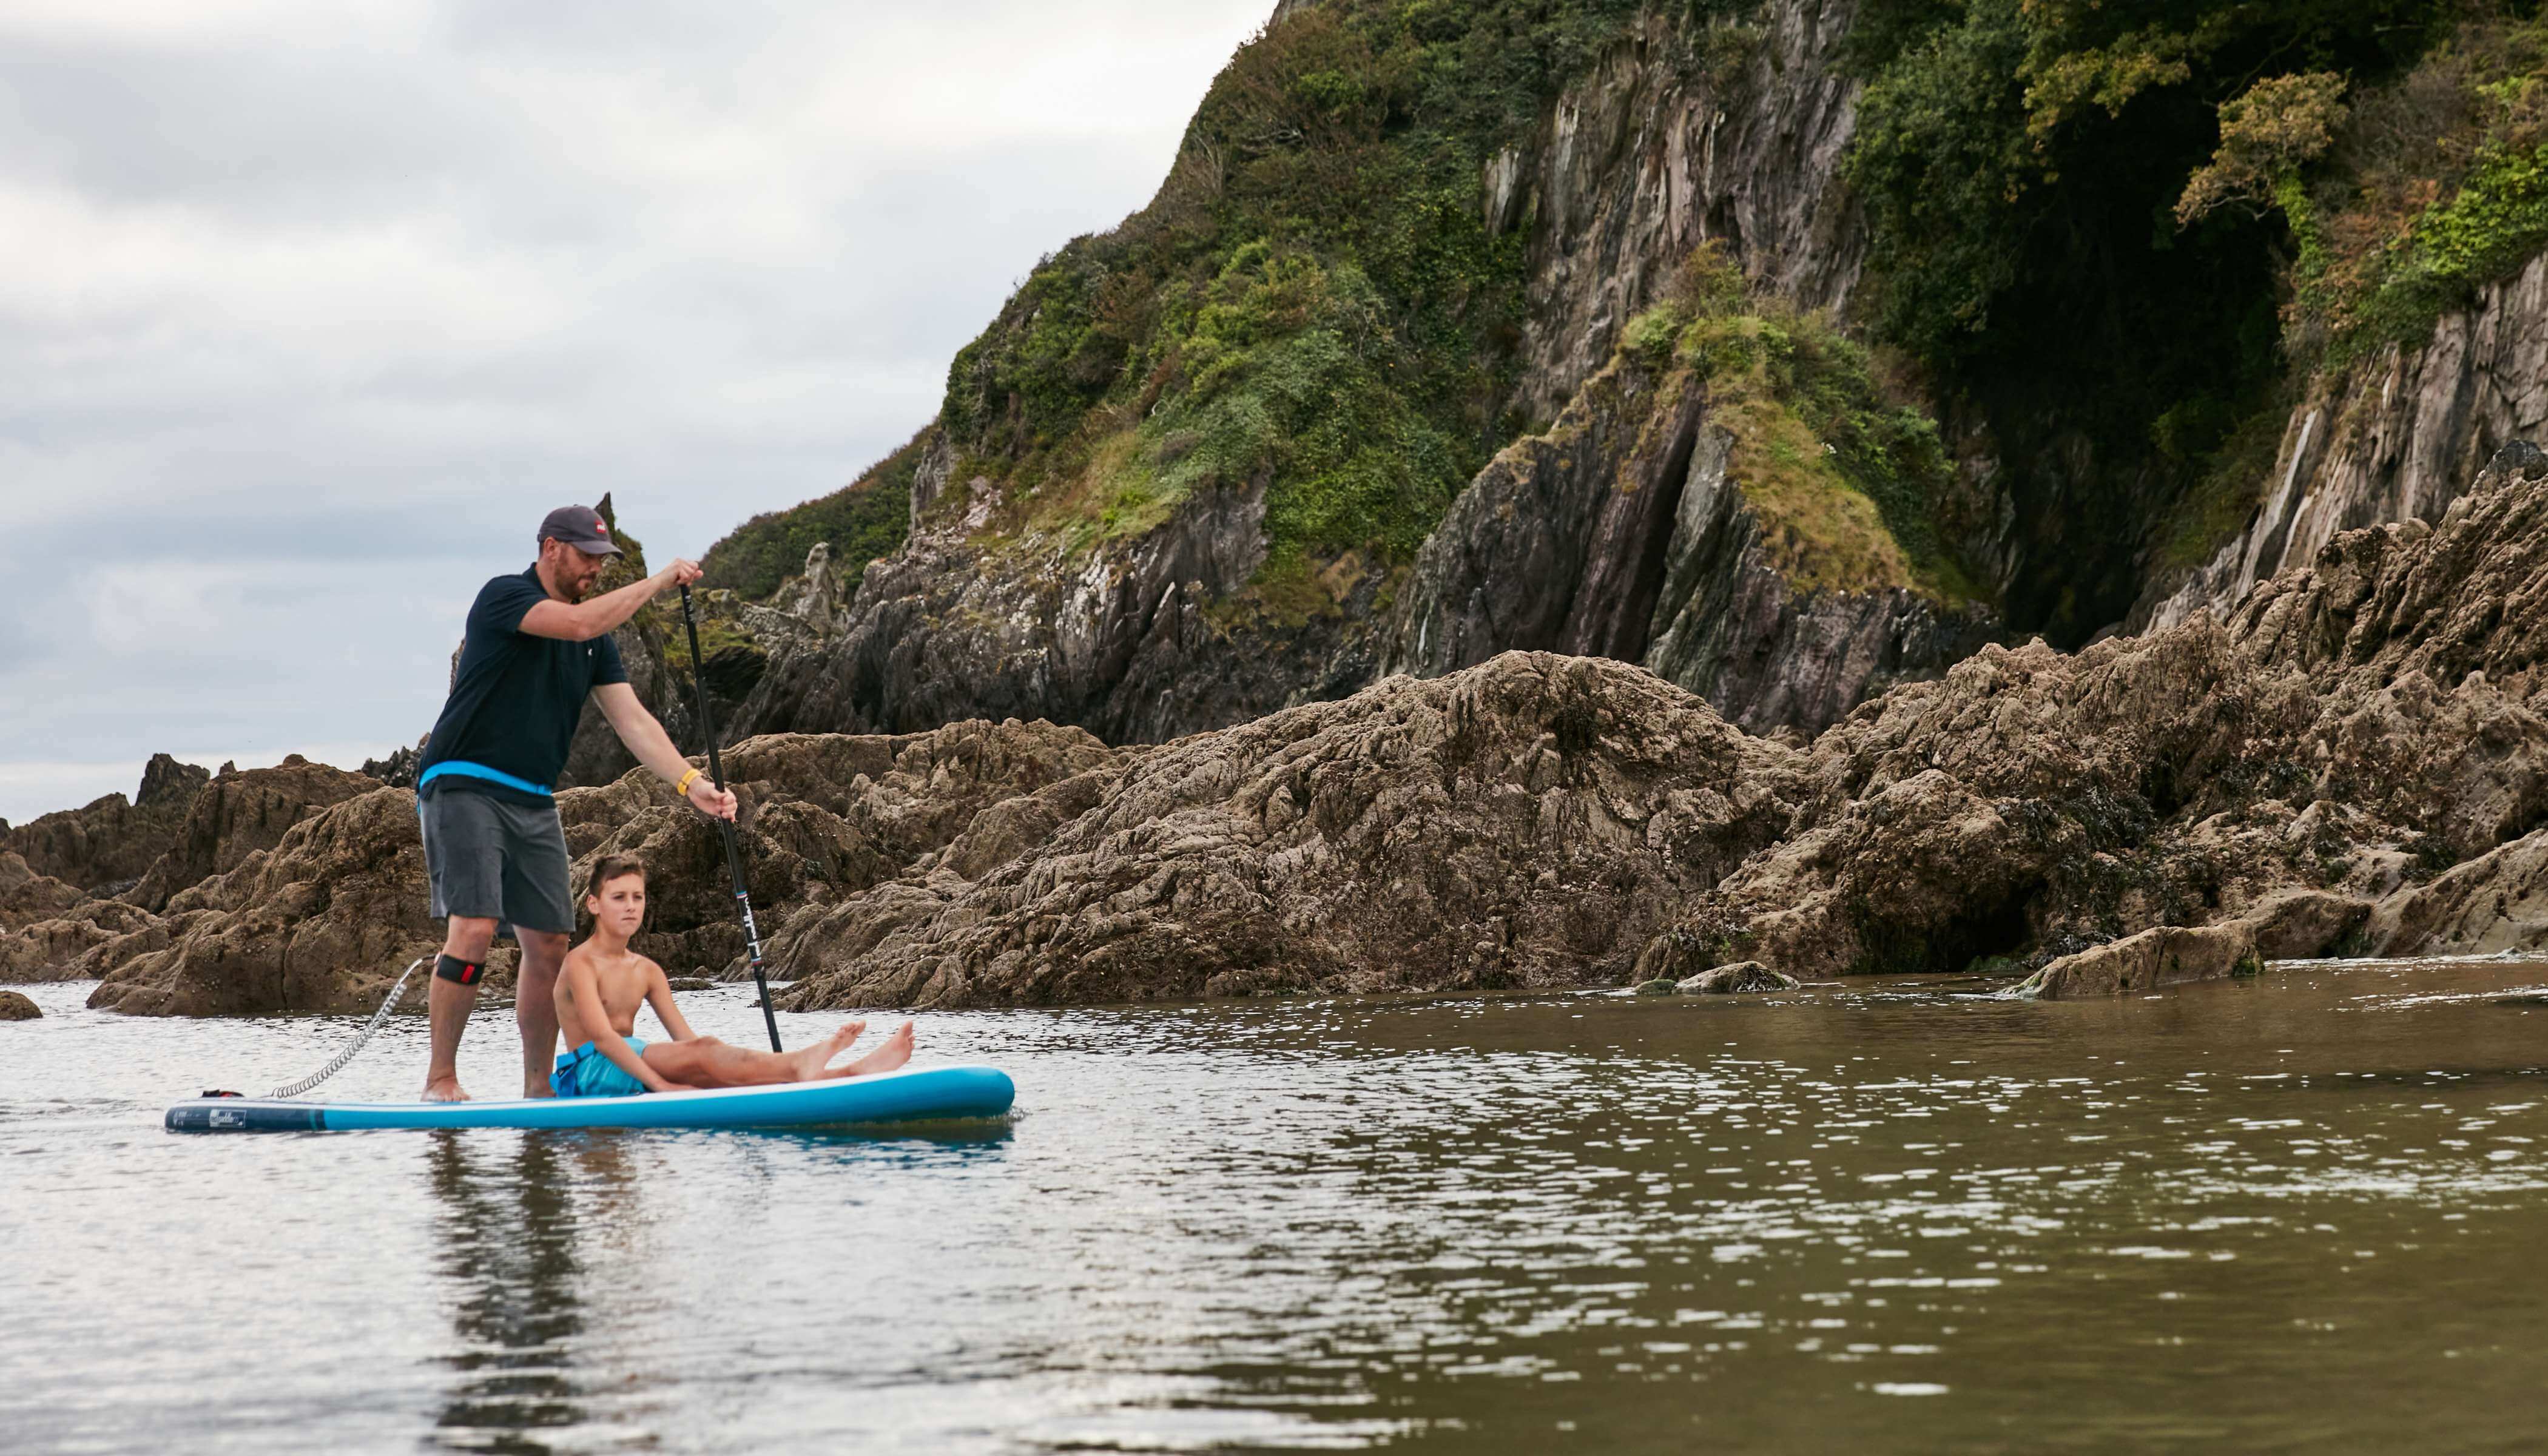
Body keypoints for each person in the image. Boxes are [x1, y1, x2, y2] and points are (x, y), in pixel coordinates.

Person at [415, 504, 735, 1102]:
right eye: (586, 556)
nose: (594, 568)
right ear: (550, 548)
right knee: (478, 927)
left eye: (602, 560)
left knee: (552, 944)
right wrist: (661, 580)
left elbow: (633, 721)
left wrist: (693, 786)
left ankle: (539, 1091)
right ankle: (441, 1079)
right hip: (463, 781)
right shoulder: (505, 597)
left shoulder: (597, 646)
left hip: (533, 797)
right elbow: (580, 623)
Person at [550, 855, 914, 1096]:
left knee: (711, 1059)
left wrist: (704, 1071)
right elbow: (602, 1038)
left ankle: (851, 1074)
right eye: (618, 897)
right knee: (706, 1054)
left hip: (635, 1064)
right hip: (588, 1072)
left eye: (638, 897)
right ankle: (802, 1063)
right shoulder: (580, 963)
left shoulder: (647, 970)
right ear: (594, 904)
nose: (631, 906)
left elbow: (687, 1044)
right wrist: (662, 1085)